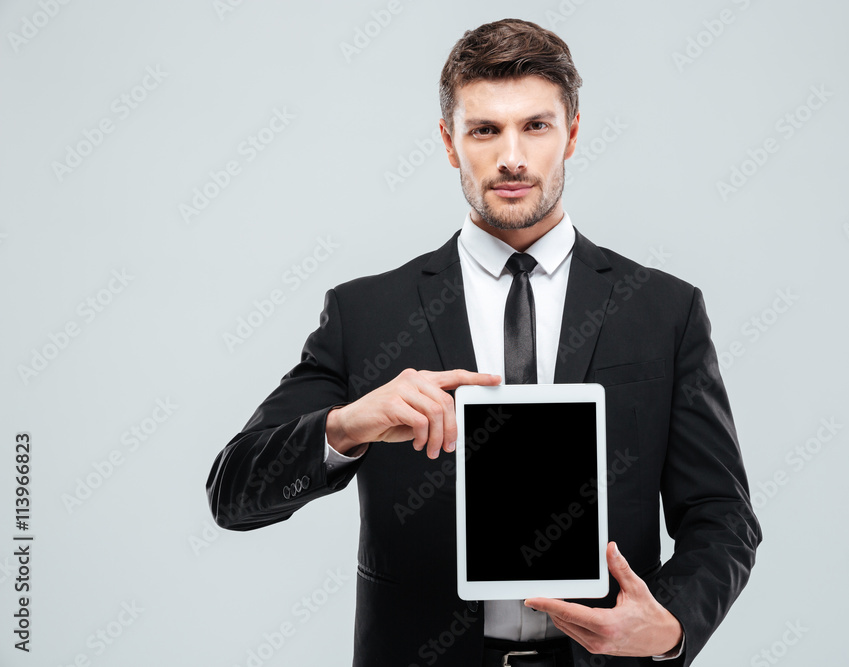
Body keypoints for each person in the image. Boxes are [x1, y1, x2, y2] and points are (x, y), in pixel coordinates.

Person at [205, 17, 761, 667]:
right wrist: (349, 425)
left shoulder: (665, 310)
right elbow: (235, 491)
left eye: (536, 125)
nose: (512, 157)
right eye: (484, 129)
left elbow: (722, 516)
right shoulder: (366, 313)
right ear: (449, 142)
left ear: (572, 133)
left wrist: (669, 627)